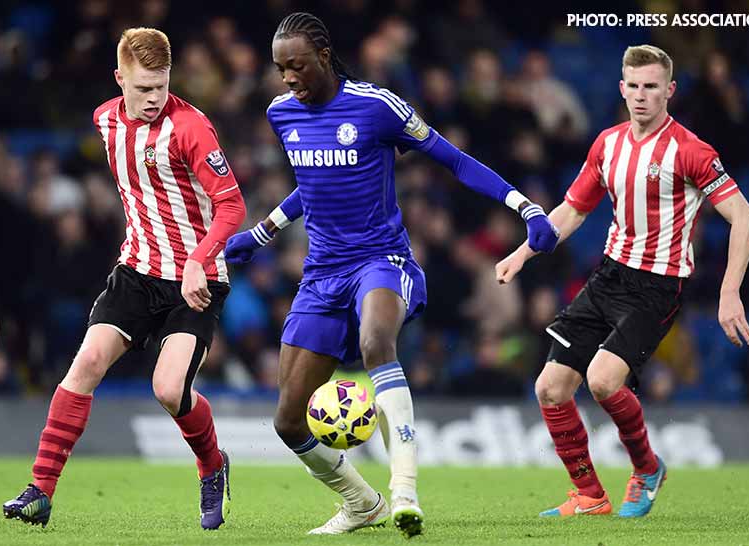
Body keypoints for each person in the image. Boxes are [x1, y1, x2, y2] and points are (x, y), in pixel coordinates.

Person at [224, 12, 559, 537]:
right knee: (288, 419)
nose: (287, 77)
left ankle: (405, 491)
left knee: (376, 341)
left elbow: (454, 160)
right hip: (321, 273)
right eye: (280, 67)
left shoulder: (376, 106)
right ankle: (362, 503)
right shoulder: (281, 113)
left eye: (297, 65)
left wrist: (525, 207)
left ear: (324, 57)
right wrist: (262, 232)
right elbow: (314, 182)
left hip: (380, 259)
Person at [496, 45, 749, 518]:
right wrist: (522, 253)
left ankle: (647, 469)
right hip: (609, 275)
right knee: (550, 388)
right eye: (633, 86)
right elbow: (572, 210)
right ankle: (590, 496)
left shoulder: (691, 151)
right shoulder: (607, 143)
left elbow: (745, 217)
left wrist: (729, 292)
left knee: (601, 380)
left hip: (658, 284)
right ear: (621, 88)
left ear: (669, 91)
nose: (641, 95)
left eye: (651, 87)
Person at [3, 28, 246, 530]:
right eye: (142, 88)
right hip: (136, 271)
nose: (153, 98)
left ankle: (211, 464)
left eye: (161, 86)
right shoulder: (104, 120)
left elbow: (232, 205)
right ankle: (40, 491)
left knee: (168, 389)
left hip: (194, 280)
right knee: (87, 362)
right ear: (120, 79)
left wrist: (198, 259)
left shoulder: (191, 128)